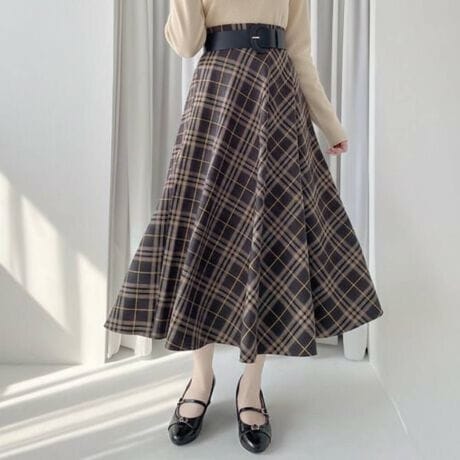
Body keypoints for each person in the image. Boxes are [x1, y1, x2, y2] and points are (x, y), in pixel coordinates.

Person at [104, 0, 384, 453]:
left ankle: (250, 388)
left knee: (273, 232)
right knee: (203, 236)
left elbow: (299, 53)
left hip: (277, 99)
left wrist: (329, 124)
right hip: (217, 97)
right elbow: (186, 43)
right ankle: (201, 379)